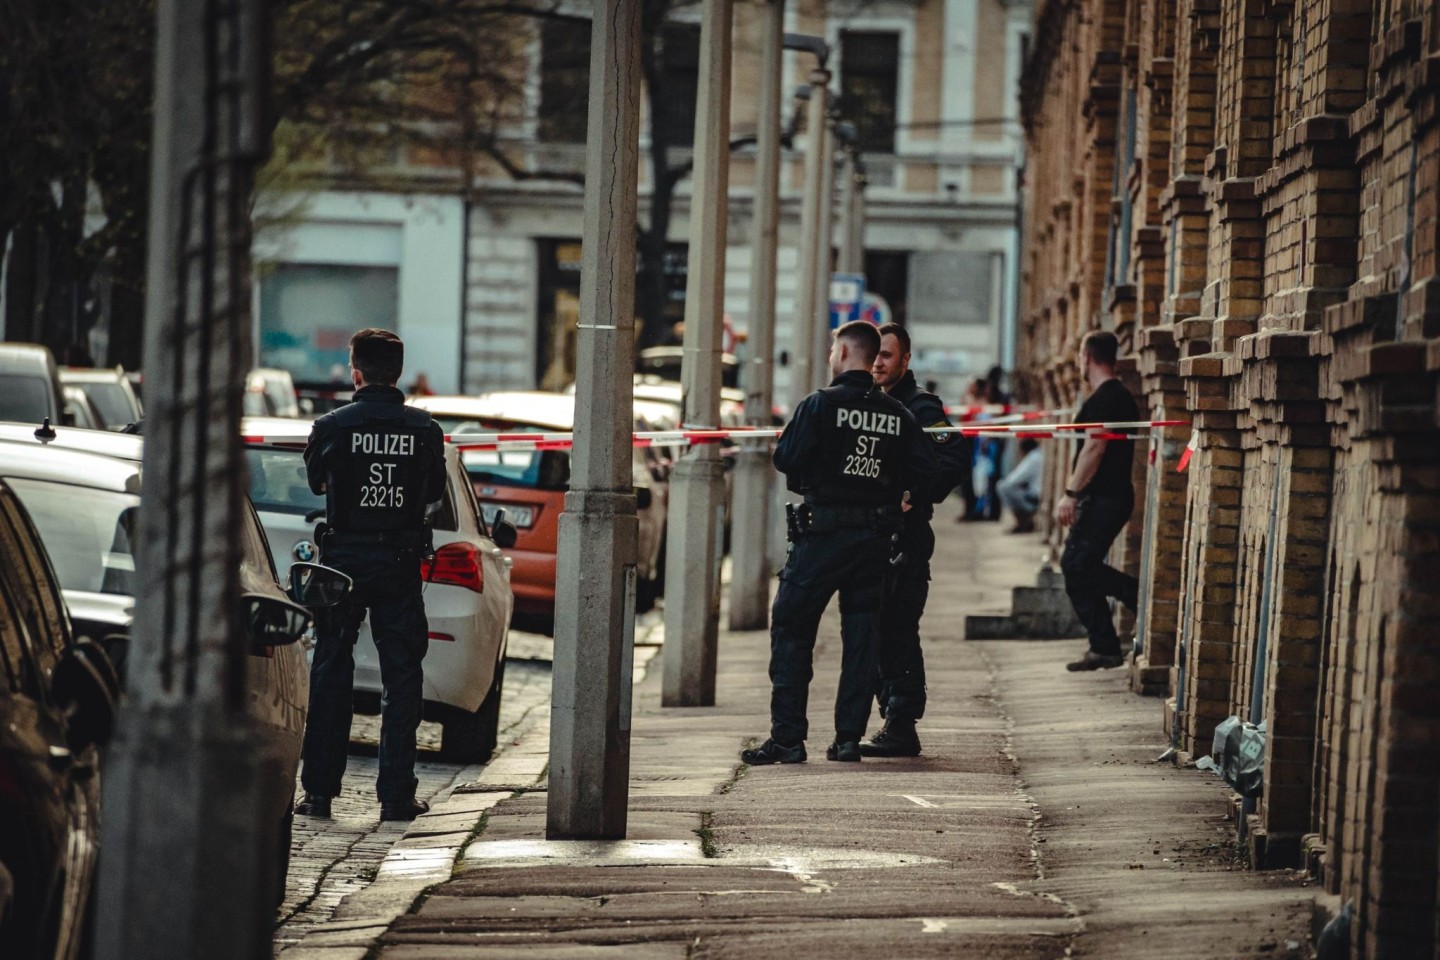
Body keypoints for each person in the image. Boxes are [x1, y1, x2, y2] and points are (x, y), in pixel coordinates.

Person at [742, 321, 937, 765]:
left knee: (792, 628)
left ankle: (788, 739)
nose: (831, 356)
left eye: (833, 349)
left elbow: (786, 458)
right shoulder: (898, 415)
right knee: (861, 637)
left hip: (821, 536)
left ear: (845, 353)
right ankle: (847, 739)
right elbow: (926, 472)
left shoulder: (819, 405)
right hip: (873, 539)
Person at [295, 328, 447, 820]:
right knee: (402, 677)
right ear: (397, 372)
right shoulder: (425, 430)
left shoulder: (334, 426)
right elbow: (431, 498)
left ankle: (318, 792)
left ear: (355, 372)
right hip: (399, 563)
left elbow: (317, 481)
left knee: (331, 669)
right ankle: (396, 796)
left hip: (344, 560)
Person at [859, 324, 967, 757]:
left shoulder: (920, 408)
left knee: (897, 628)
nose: (879, 363)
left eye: (887, 356)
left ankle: (902, 722)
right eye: (875, 356)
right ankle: (888, 715)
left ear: (905, 361)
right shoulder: (862, 403)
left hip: (905, 538)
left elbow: (953, 456)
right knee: (870, 629)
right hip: (867, 537)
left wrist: (913, 495)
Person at [1055, 330, 1140, 672]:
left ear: (1087, 357)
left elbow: (1095, 447)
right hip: (1105, 496)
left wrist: (1071, 494)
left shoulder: (1109, 397)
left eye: (1079, 355)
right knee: (1077, 565)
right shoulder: (1108, 395)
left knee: (1076, 564)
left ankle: (1133, 598)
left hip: (1106, 496)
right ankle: (1104, 645)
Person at [996, 438, 1043, 533]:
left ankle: (1023, 522)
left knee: (1002, 486)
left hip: (1034, 497)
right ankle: (1024, 521)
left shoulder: (1033, 458)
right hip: (1035, 494)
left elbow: (1013, 479)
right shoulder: (1038, 455)